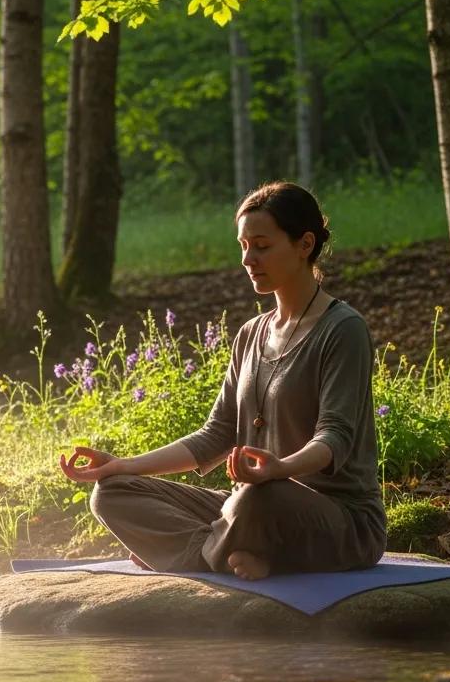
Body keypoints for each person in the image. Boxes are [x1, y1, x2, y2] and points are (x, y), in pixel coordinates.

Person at [58, 181, 385, 581]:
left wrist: (279, 469)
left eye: (262, 245)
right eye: (243, 246)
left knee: (254, 499)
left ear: (304, 244)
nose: (248, 259)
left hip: (338, 520)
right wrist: (124, 465)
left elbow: (334, 439)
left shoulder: (343, 329)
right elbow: (216, 434)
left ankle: (193, 552)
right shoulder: (251, 334)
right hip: (252, 502)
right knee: (112, 492)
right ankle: (231, 551)